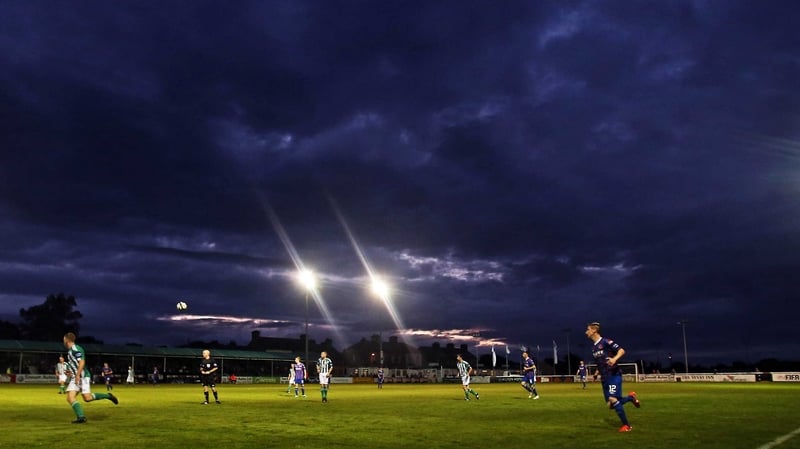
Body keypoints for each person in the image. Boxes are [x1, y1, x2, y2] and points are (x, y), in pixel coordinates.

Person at [585, 321, 641, 432]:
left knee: (613, 398)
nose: (586, 332)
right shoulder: (593, 348)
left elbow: (621, 350)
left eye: (588, 329)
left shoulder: (606, 342)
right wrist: (596, 373)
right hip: (604, 378)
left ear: (594, 330)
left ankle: (627, 426)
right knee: (610, 405)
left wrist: (614, 359)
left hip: (613, 374)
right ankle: (630, 398)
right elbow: (600, 363)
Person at [62, 332, 118, 424]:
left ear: (67, 340)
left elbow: (82, 362)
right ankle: (81, 417)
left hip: (83, 376)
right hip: (76, 377)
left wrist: (77, 375)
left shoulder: (76, 349)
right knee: (70, 397)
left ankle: (108, 396)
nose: (63, 341)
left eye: (63, 339)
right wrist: (70, 372)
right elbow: (75, 364)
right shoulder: (70, 351)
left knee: (87, 398)